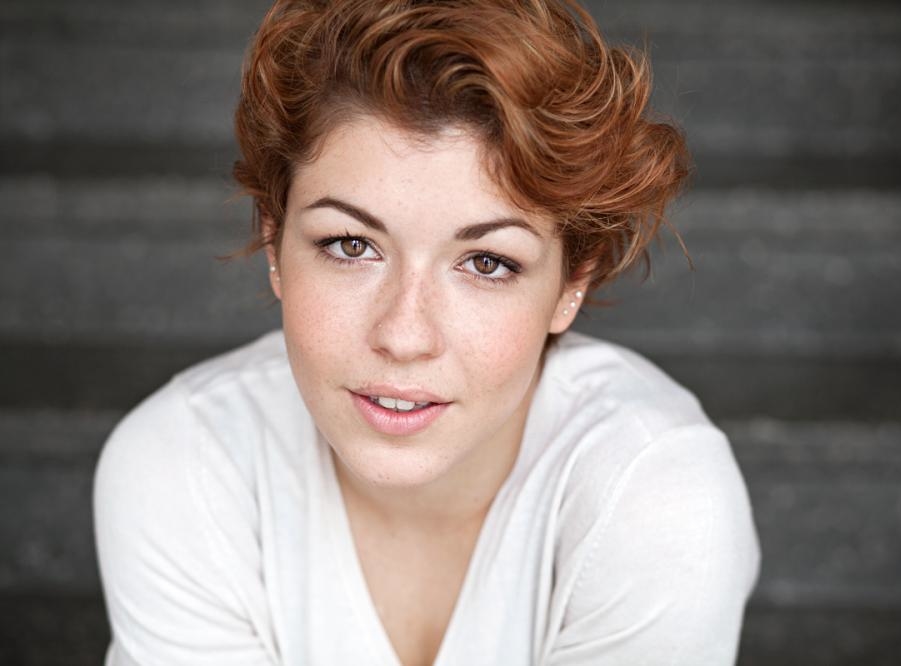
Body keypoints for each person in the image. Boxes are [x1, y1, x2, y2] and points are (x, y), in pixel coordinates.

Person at [93, 1, 759, 664]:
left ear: (570, 284)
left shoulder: (655, 490)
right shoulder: (184, 463)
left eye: (486, 263)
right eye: (351, 245)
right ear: (275, 243)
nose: (404, 336)